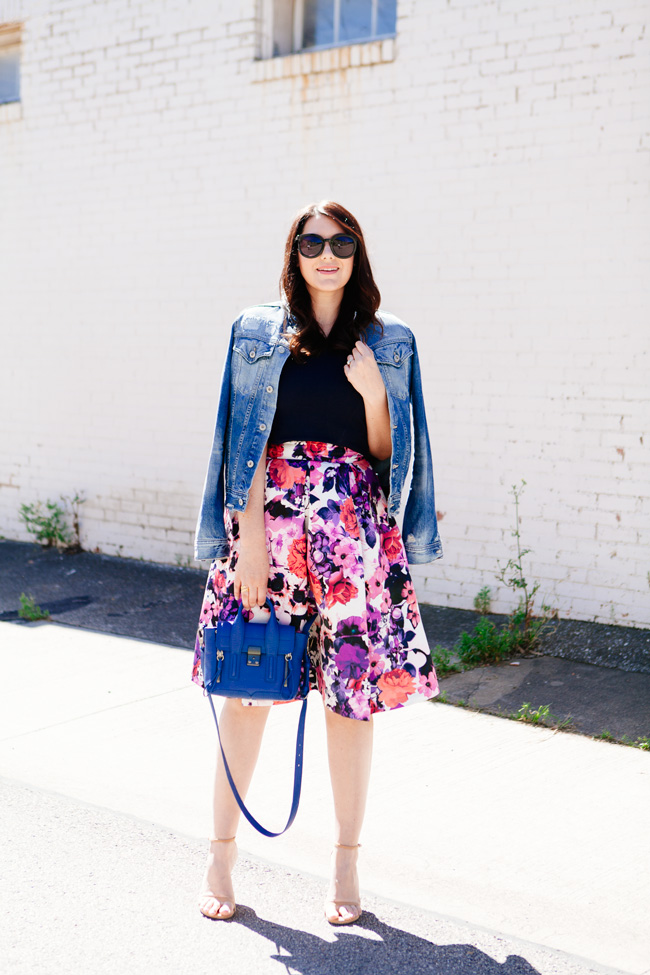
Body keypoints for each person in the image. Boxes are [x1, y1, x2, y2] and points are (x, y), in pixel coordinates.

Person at [191, 200, 443, 924]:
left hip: (353, 539)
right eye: (311, 242)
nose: (326, 254)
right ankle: (219, 852)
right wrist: (252, 541)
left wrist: (372, 396)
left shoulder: (391, 343)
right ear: (294, 253)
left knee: (352, 705)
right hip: (267, 532)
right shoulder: (254, 333)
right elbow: (242, 439)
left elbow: (392, 460)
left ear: (358, 253)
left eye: (340, 242)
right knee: (246, 691)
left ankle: (344, 865)